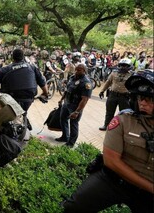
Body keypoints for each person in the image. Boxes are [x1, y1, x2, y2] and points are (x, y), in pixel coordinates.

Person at [62, 70, 154, 213]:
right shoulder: (123, 120)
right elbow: (111, 161)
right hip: (115, 180)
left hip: (148, 194)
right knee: (74, 207)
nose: (142, 102)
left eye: (149, 99)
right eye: (140, 97)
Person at [0, 48, 49, 130]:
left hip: (10, 99)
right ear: (23, 57)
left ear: (12, 58)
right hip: (28, 99)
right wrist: (45, 94)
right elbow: (42, 83)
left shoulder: (5, 69)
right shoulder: (32, 67)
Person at [56, 64, 92, 148]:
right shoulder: (72, 77)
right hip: (67, 103)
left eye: (79, 70)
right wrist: (61, 99)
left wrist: (77, 112)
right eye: (76, 70)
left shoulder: (86, 83)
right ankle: (65, 137)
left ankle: (71, 143)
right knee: (63, 119)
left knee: (73, 124)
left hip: (75, 106)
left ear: (84, 71)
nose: (76, 71)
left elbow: (85, 99)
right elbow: (67, 90)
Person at [98, 59, 132, 130]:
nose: (123, 67)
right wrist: (102, 91)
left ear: (129, 66)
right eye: (121, 65)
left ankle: (123, 128)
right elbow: (108, 82)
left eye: (125, 66)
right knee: (109, 112)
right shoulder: (114, 73)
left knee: (124, 114)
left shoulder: (131, 75)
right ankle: (106, 125)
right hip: (113, 95)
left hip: (124, 97)